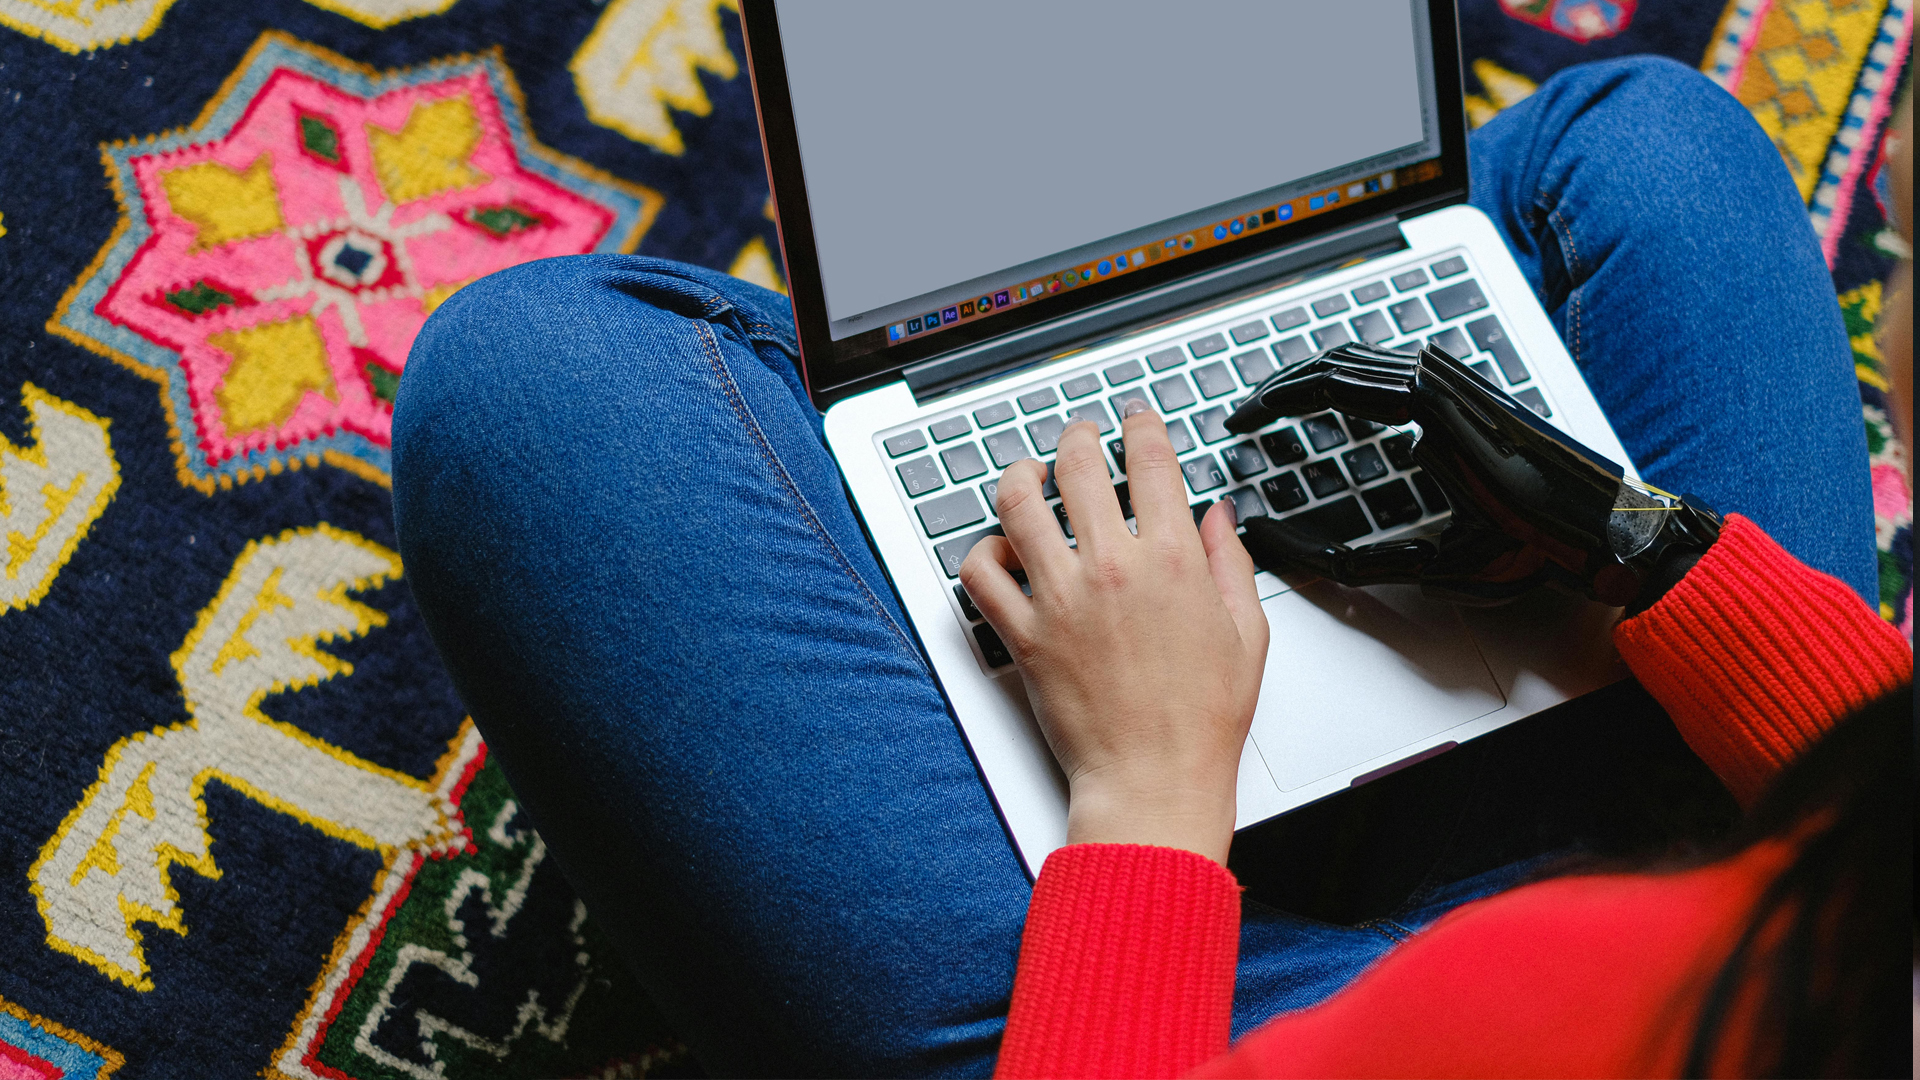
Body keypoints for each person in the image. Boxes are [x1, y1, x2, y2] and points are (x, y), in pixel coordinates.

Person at [390, 58, 1911, 1077]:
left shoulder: (1529, 1014)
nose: (1886, 260)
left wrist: (1149, 789)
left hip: (1299, 1024)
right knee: (1641, 131)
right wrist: (1639, 549)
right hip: (1743, 882)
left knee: (529, 382)